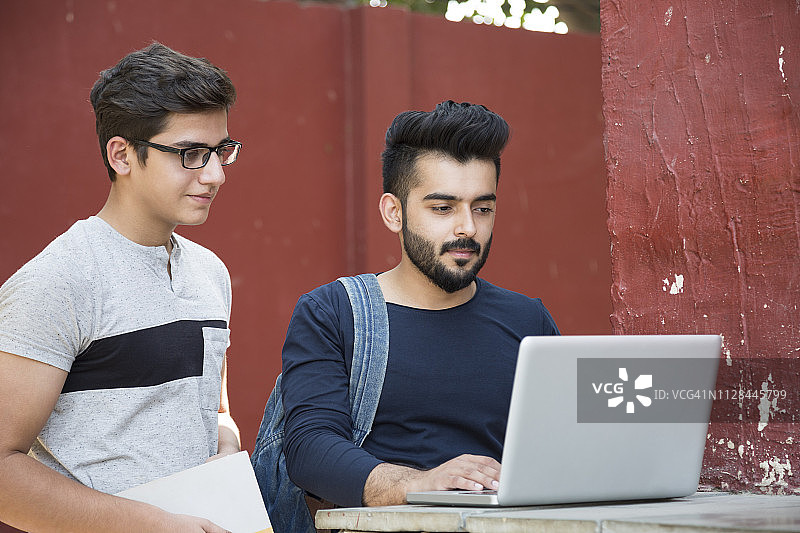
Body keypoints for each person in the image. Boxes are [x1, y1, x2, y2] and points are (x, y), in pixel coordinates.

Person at [269, 101, 559, 516]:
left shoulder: (528, 320)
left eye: (483, 208)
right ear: (394, 212)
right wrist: (419, 484)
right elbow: (310, 449)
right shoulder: (334, 313)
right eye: (443, 208)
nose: (468, 228)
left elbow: (567, 446)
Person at [0, 42, 243, 533]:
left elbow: (211, 407)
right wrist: (150, 524)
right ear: (123, 154)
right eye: (191, 154)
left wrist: (226, 447)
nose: (215, 174)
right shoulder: (58, 281)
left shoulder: (210, 272)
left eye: (221, 151)